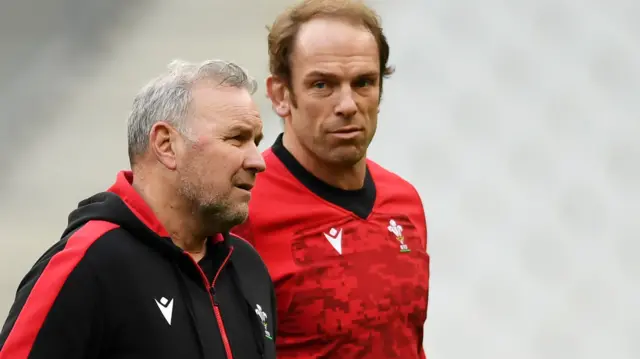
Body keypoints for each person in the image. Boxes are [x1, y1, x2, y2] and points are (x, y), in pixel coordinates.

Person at [0, 59, 277, 359]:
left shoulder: (248, 266)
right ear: (167, 145)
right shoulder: (88, 263)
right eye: (237, 139)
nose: (257, 161)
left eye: (256, 142)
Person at [231, 0, 430, 358]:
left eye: (364, 83)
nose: (348, 104)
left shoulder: (404, 202)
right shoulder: (239, 207)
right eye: (323, 85)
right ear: (280, 95)